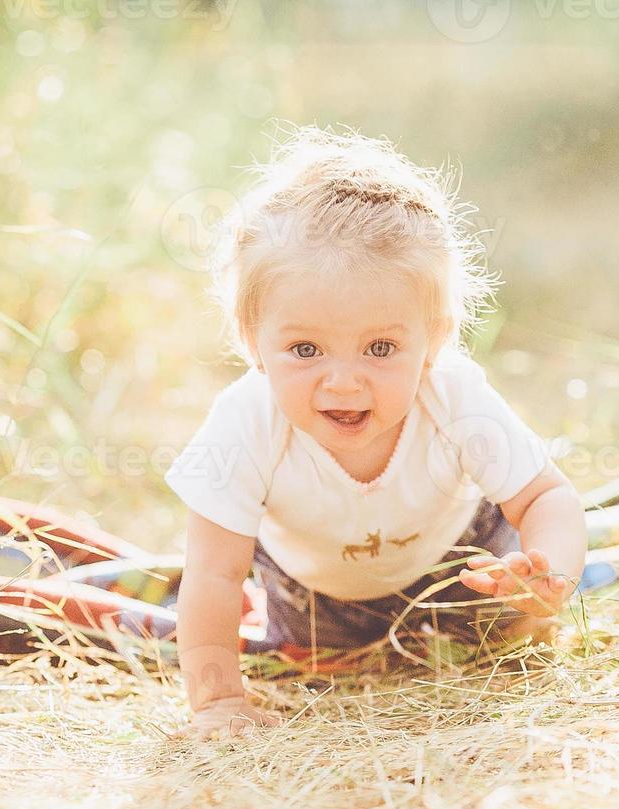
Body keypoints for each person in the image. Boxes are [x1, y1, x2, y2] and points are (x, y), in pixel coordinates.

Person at [165, 125, 587, 739]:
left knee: (506, 633)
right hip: (316, 597)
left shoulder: (454, 397)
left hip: (456, 566)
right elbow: (213, 573)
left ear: (435, 339)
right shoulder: (245, 422)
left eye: (381, 348)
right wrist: (217, 701)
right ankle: (357, 649)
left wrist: (551, 577)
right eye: (305, 348)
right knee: (329, 671)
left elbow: (547, 497)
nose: (343, 382)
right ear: (252, 341)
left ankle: (522, 624)